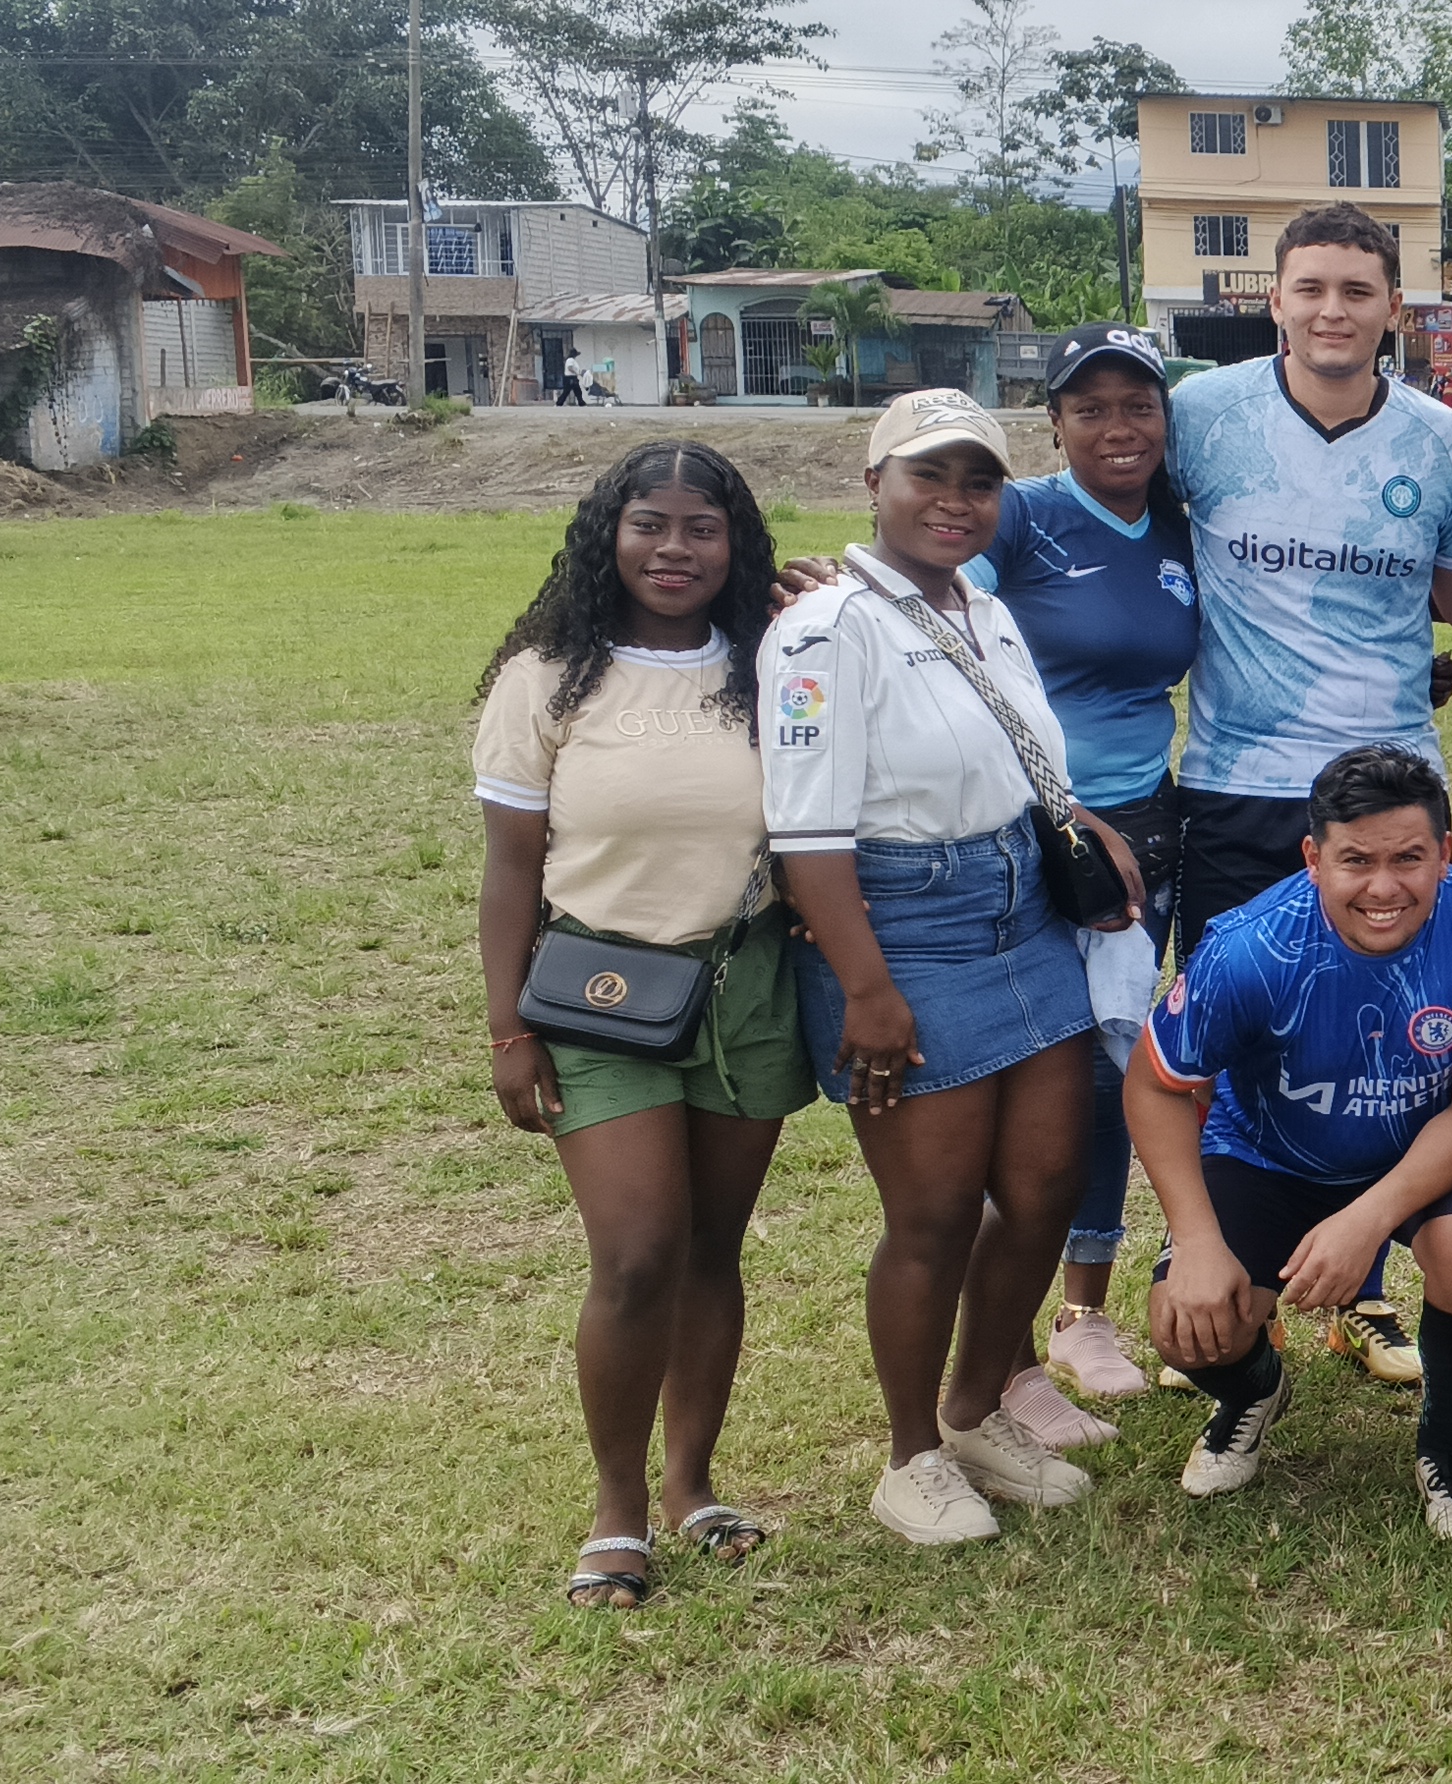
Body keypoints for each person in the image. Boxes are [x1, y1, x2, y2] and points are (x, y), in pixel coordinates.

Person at [764, 390, 1146, 1547]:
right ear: (872, 485)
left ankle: (977, 1409)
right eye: (926, 475)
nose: (954, 500)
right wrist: (867, 989)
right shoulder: (824, 627)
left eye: (978, 480)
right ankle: (910, 1456)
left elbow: (1016, 756)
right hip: (902, 923)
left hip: (1020, 911)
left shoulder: (980, 606)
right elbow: (806, 833)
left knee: (1045, 1183)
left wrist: (1084, 822)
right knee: (932, 1213)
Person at [476, 442, 806, 1608]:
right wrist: (508, 1030)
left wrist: (824, 611)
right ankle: (616, 1509)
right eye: (650, 525)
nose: (675, 549)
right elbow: (510, 869)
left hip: (745, 984)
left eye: (701, 528)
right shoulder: (545, 680)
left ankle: (691, 1485)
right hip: (599, 994)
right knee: (637, 1251)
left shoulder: (774, 663)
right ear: (606, 536)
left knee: (712, 1247)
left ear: (735, 542)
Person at [1168, 202, 1452, 1385]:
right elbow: (1091, 511)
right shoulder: (1202, 415)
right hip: (1236, 782)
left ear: (1395, 306)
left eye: (1357, 290)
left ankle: (1367, 1288)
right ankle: (1216, 1269)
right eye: (1310, 288)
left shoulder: (1441, 442)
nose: (1332, 310)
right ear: (1275, 300)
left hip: (1388, 798)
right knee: (1232, 1042)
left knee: (1389, 1044)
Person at [1127, 745, 1452, 1543]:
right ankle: (1254, 1391)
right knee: (1188, 1325)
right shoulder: (1248, 948)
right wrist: (1198, 1241)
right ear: (1314, 858)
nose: (1384, 888)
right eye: (1356, 861)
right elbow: (1154, 1086)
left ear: (1445, 852)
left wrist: (1366, 1220)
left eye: (1408, 858)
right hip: (1267, 1154)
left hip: (1423, 1152)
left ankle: (1448, 1447)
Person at [970, 322, 1206, 1440]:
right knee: (1028, 1077)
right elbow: (924, 601)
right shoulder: (1023, 517)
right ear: (1054, 423)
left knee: (1115, 1062)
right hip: (1024, 834)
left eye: (1139, 405)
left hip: (1143, 835)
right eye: (1091, 408)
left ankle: (1082, 1313)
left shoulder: (1179, 526)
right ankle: (1000, 1346)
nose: (1119, 428)